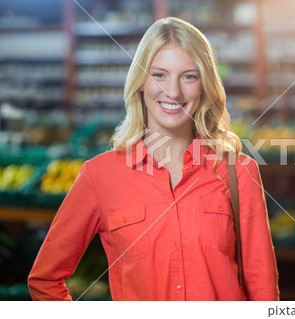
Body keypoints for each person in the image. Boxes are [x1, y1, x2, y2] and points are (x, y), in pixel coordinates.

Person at [28, 17, 279, 301]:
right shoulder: (99, 176)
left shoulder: (239, 171)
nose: (173, 91)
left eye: (189, 76)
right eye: (159, 74)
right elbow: (45, 280)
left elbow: (263, 291)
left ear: (204, 85)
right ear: (140, 83)